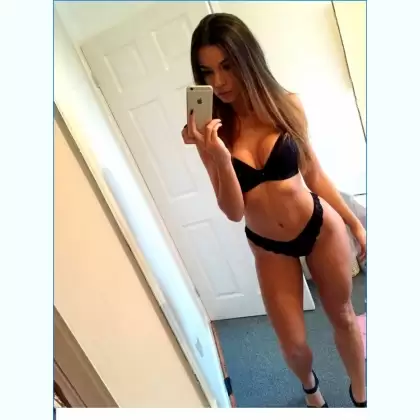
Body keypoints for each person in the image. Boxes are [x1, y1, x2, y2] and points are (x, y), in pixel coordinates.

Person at [181, 13, 366, 408]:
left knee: (344, 316)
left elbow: (314, 174)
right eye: (207, 71)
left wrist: (355, 223)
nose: (219, 81)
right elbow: (233, 210)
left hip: (319, 228)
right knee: (294, 345)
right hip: (269, 247)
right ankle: (310, 387)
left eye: (227, 65)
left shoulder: (287, 105)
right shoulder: (210, 132)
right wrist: (218, 156)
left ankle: (361, 394)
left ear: (247, 58)